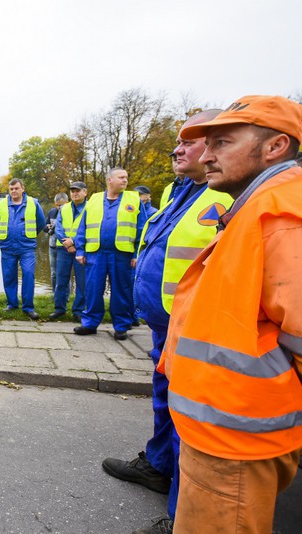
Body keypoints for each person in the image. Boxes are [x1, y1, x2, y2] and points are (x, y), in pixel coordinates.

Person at [157, 95, 302, 533]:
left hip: (238, 435)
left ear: (275, 146)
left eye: (222, 142)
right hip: (223, 427)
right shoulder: (256, 205)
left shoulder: (282, 215)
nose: (207, 154)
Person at [101, 110, 232, 534]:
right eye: (178, 141)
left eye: (188, 142)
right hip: (167, 325)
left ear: (216, 146)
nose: (177, 148)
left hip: (198, 329)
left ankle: (182, 518)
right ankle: (158, 466)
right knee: (165, 403)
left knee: (188, 415)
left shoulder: (230, 194)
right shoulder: (182, 190)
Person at [73, 168, 147, 339]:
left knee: (121, 291)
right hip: (95, 253)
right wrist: (80, 250)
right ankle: (90, 323)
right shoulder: (94, 199)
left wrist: (137, 254)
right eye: (121, 177)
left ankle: (121, 326)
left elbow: (142, 229)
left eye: (126, 177)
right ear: (109, 180)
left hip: (122, 254)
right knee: (93, 289)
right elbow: (83, 226)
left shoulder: (134, 200)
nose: (125, 180)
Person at [0, 178, 46, 320]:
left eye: (16, 188)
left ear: (23, 188)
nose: (14, 191)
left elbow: (40, 223)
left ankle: (28, 307)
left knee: (28, 274)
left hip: (26, 247)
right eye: (11, 189)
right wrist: (6, 235)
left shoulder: (34, 204)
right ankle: (11, 304)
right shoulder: (1, 205)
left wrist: (28, 235)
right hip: (7, 247)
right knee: (9, 276)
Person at [50, 181, 87, 321]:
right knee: (61, 279)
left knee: (81, 281)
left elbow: (91, 228)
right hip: (63, 249)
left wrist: (74, 241)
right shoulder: (64, 208)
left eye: (78, 190)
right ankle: (59, 309)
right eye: (72, 191)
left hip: (81, 249)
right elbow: (58, 227)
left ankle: (78, 310)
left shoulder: (91, 208)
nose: (75, 193)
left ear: (85, 192)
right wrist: (67, 243)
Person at [45, 193, 68, 292]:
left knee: (64, 273)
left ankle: (66, 295)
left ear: (67, 203)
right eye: (58, 205)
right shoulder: (52, 212)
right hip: (52, 246)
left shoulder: (70, 213)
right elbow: (44, 227)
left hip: (64, 247)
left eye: (62, 205)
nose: (60, 207)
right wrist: (48, 227)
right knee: (53, 273)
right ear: (55, 204)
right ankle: (54, 294)